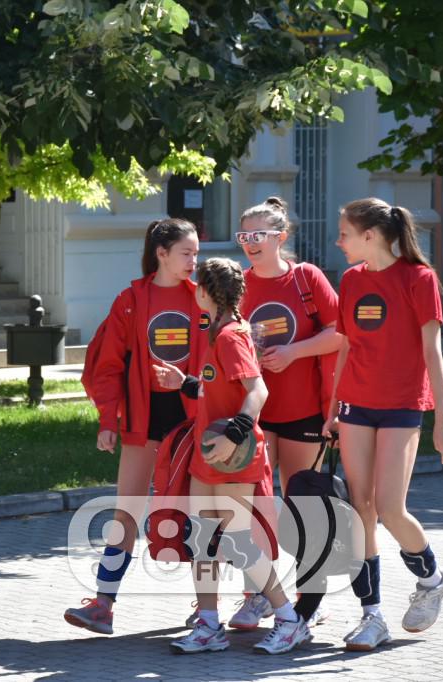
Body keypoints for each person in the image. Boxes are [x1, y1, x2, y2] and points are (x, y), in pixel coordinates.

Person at [154, 257, 308, 655]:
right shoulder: (215, 332)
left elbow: (258, 392)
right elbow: (217, 390)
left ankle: (289, 620)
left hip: (234, 455)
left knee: (238, 542)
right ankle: (208, 627)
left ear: (206, 292)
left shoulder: (230, 336)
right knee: (202, 539)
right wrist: (185, 383)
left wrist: (234, 434)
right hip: (211, 454)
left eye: (197, 285)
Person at [324, 198, 443, 651]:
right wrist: (334, 405)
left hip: (403, 405)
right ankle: (372, 616)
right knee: (359, 507)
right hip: (355, 405)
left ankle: (433, 580)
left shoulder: (420, 279)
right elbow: (345, 347)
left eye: (345, 233)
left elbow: (432, 352)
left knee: (388, 507)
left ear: (370, 235)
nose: (339, 241)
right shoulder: (350, 280)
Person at [64, 218, 202, 634]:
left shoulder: (203, 298)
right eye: (187, 253)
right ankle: (103, 604)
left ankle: (208, 610)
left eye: (196, 253)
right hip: (144, 423)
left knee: (202, 515)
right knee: (126, 512)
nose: (195, 260)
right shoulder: (131, 299)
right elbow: (107, 366)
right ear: (162, 253)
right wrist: (108, 420)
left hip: (193, 425)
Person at [233, 197, 342, 630]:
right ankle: (257, 595)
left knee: (303, 507)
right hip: (253, 412)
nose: (250, 244)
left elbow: (340, 333)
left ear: (280, 236)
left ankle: (310, 599)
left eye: (258, 235)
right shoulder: (238, 284)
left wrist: (294, 352)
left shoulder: (306, 279)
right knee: (253, 508)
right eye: (244, 236)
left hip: (302, 413)